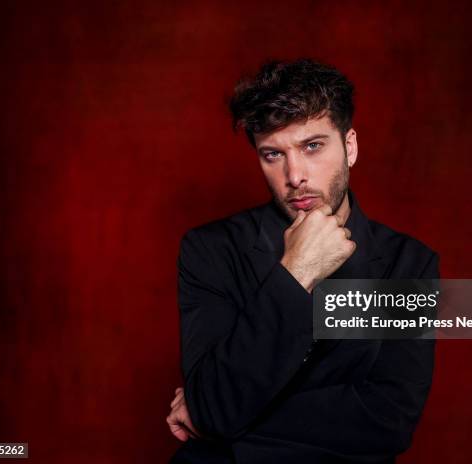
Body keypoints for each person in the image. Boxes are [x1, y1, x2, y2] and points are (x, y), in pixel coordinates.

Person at [166, 58, 439, 464]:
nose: (295, 175)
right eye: (272, 154)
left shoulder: (408, 263)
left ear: (350, 146)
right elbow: (215, 403)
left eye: (312, 146)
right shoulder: (211, 250)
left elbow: (388, 421)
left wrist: (219, 414)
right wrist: (296, 272)